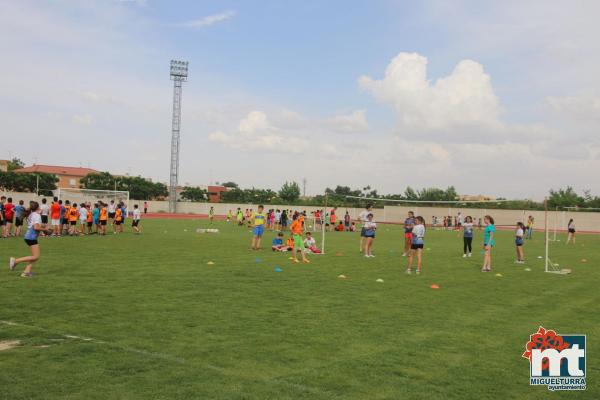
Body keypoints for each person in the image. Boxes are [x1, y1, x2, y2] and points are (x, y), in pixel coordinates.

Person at [9, 201, 46, 278]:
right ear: (38, 207)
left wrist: (43, 226)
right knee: (36, 256)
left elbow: (34, 225)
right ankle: (15, 261)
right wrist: (45, 229)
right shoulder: (36, 215)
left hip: (29, 236)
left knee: (34, 256)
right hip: (31, 236)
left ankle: (26, 272)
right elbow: (36, 227)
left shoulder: (31, 214)